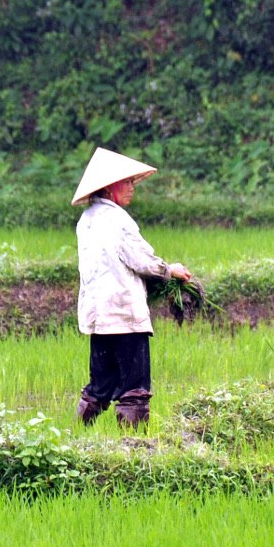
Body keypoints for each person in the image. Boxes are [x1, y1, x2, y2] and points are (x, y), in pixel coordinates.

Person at [70, 147, 192, 429]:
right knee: (135, 387)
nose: (132, 188)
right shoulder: (117, 220)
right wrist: (169, 270)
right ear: (110, 187)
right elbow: (142, 261)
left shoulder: (86, 220)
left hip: (99, 318)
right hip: (124, 314)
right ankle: (134, 446)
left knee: (100, 385)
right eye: (127, 183)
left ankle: (76, 434)